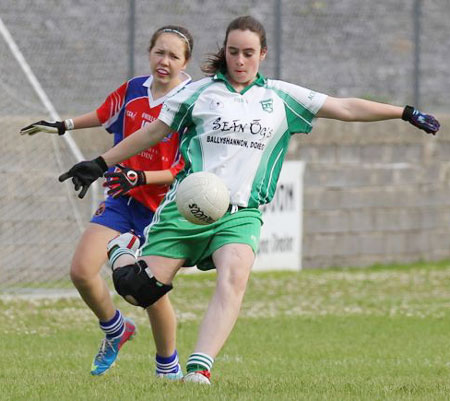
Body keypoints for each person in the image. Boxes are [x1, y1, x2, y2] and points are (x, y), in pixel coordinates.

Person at [57, 16, 440, 384]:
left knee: (234, 277)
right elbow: (153, 133)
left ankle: (198, 369)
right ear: (224, 51)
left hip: (240, 214)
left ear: (263, 55)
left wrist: (403, 112)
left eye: (248, 53)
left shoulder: (281, 97)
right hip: (186, 210)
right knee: (137, 290)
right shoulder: (198, 92)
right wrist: (99, 162)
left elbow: (345, 107)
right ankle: (123, 249)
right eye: (233, 51)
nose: (240, 60)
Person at [20, 25, 194, 378]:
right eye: (159, 52)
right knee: (82, 272)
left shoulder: (191, 103)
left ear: (185, 62)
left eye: (173, 56)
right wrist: (62, 125)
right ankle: (115, 328)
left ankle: (168, 367)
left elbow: (183, 170)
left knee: (149, 291)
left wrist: (141, 176)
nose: (164, 61)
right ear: (150, 52)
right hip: (121, 199)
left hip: (160, 211)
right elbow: (104, 114)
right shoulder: (134, 89)